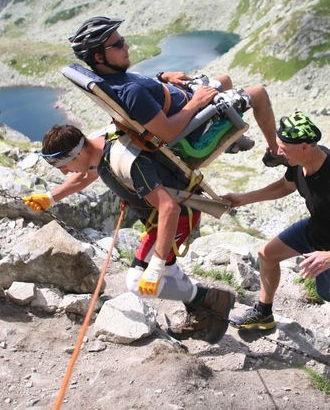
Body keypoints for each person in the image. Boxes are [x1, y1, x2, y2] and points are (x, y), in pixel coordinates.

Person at [23, 124, 235, 344]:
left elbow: (169, 208)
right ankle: (203, 314)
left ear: (78, 152)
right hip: (163, 217)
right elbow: (86, 174)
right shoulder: (100, 146)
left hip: (176, 218)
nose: (64, 172)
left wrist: (155, 267)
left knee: (137, 281)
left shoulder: (125, 161)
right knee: (168, 269)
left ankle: (212, 299)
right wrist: (50, 197)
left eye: (64, 165)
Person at [222, 111, 330, 388]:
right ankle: (264, 312)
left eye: (283, 148)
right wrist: (243, 199)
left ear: (305, 146)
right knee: (267, 254)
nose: (278, 152)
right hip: (315, 229)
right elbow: (286, 185)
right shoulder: (299, 162)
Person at [67, 16, 286, 167]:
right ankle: (275, 152)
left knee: (225, 80)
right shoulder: (132, 92)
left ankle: (233, 139)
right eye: (118, 44)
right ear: (98, 57)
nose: (127, 47)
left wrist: (163, 77)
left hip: (183, 102)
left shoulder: (113, 79)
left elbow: (145, 95)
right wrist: (197, 102)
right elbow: (168, 133)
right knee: (258, 93)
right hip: (197, 122)